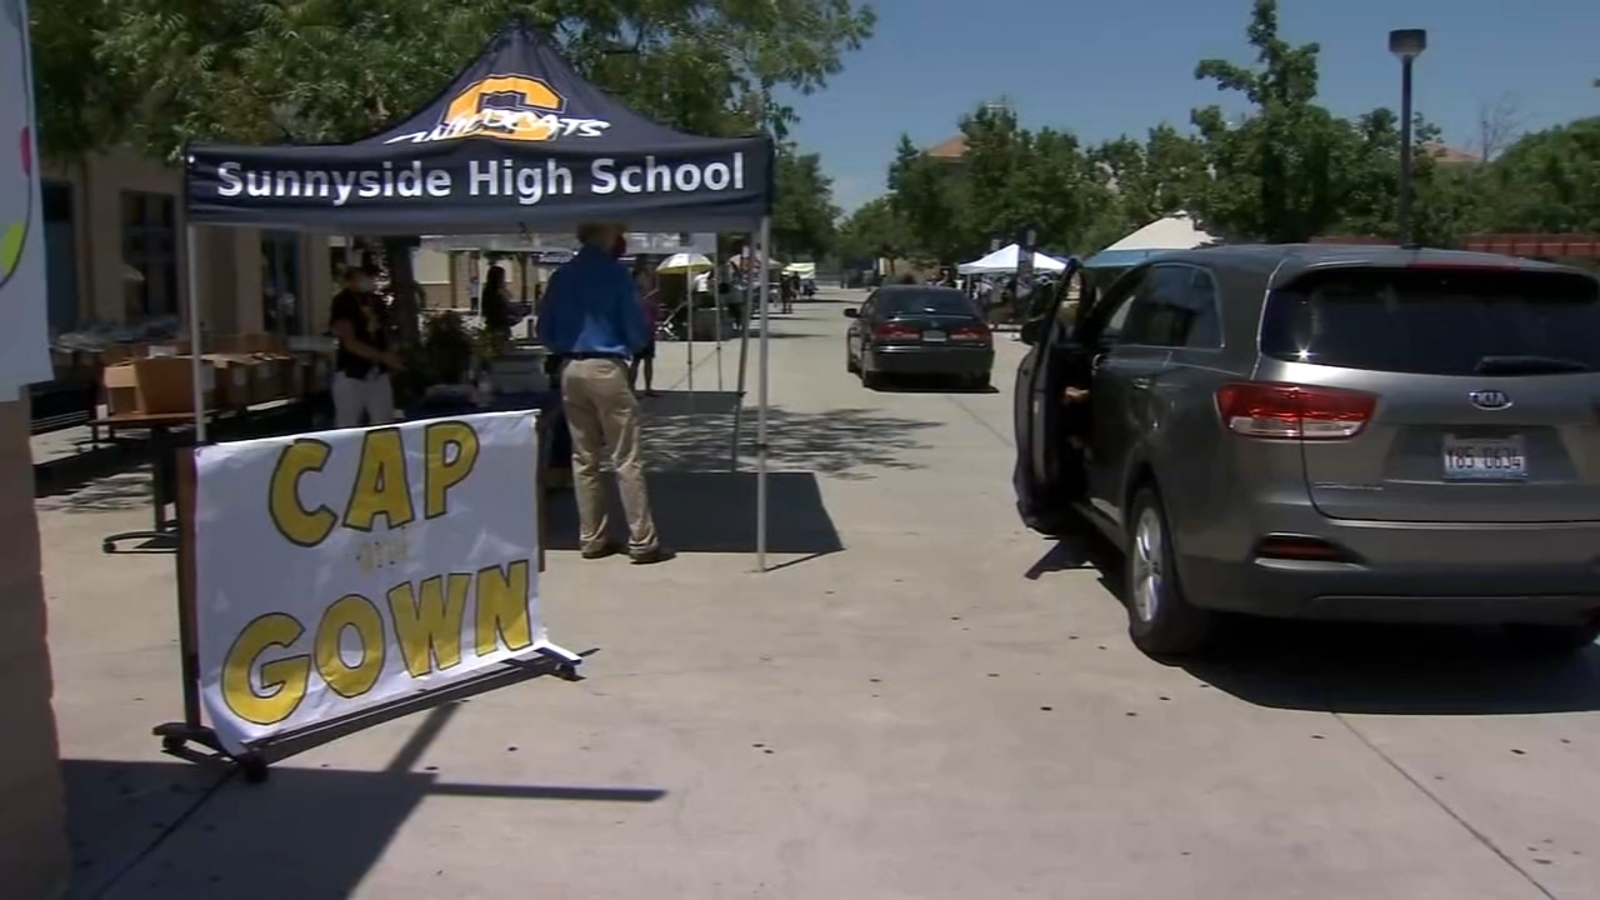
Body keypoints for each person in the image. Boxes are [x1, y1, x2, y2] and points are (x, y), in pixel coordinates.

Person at [538, 222, 668, 565]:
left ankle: (592, 537)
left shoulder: (561, 276)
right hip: (607, 365)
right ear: (607, 236)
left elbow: (544, 329)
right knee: (626, 457)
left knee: (584, 458)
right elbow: (635, 329)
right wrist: (632, 345)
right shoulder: (616, 275)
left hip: (570, 367)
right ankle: (642, 539)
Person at [329, 265, 404, 428]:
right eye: (364, 276)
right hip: (352, 373)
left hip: (378, 373)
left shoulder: (375, 301)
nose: (369, 280)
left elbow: (385, 330)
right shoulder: (343, 302)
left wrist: (392, 353)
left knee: (383, 423)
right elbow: (350, 342)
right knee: (347, 425)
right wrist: (383, 356)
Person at [631, 259, 660, 396]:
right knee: (636, 361)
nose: (645, 281)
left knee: (649, 360)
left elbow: (655, 313)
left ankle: (648, 387)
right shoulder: (633, 296)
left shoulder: (650, 297)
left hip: (649, 331)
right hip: (638, 332)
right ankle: (631, 388)